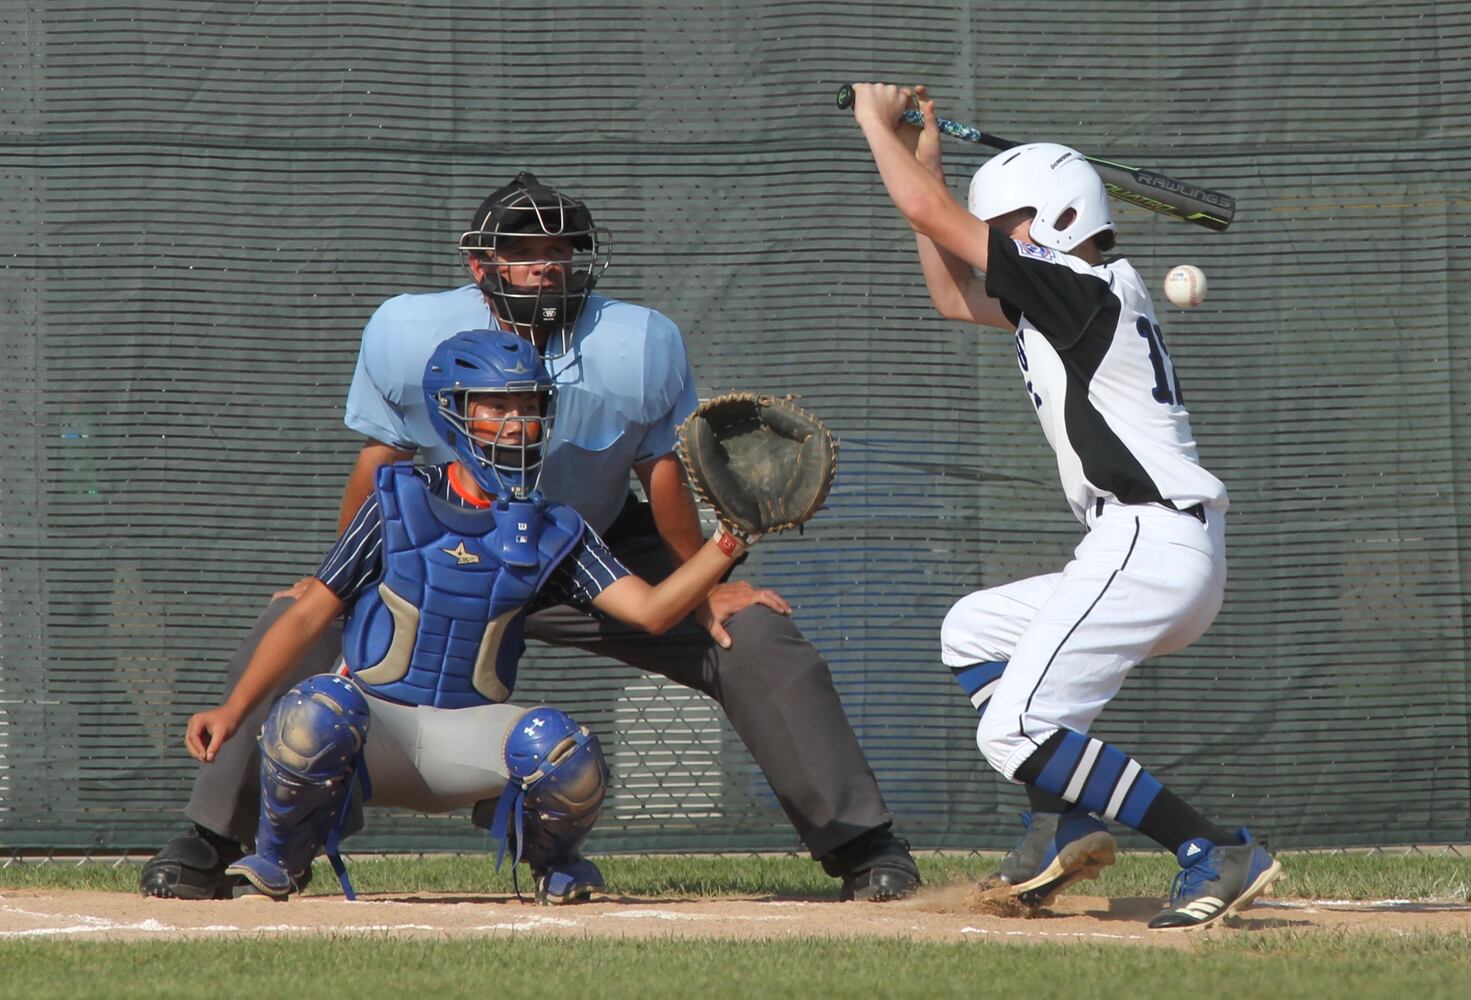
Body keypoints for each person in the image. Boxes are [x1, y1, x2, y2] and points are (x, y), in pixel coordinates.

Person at [141, 171, 919, 903]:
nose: (545, 265)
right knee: (301, 620)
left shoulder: (636, 342)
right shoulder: (410, 333)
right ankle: (213, 838)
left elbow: (662, 474)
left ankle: (862, 845)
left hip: (591, 540)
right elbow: (382, 458)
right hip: (448, 534)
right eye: (522, 249)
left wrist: (710, 581)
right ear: (482, 264)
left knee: (750, 636)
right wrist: (340, 582)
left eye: (559, 249)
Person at [849, 83, 1280, 930]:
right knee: (970, 630)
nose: (996, 247)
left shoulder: (1082, 290)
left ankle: (1211, 848)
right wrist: (926, 154)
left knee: (1011, 728)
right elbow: (947, 286)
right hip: (1148, 549)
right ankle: (1064, 822)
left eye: (1006, 228)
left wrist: (875, 123)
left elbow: (935, 220)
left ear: (1052, 218)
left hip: (1149, 544)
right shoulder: (1072, 299)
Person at [185, 330, 768, 901]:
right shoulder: (396, 500)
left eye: (529, 406)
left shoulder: (555, 526)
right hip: (375, 730)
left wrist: (728, 542)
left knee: (565, 750)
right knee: (311, 715)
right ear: (450, 411)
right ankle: (281, 858)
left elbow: (653, 612)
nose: (516, 423)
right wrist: (234, 709)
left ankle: (554, 864)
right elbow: (309, 614)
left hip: (467, 736)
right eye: (496, 405)